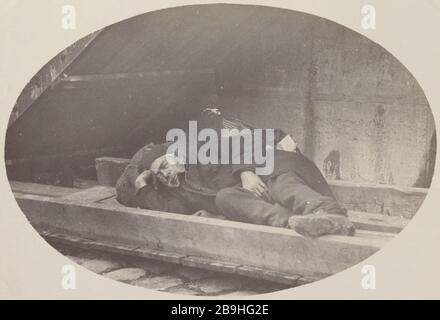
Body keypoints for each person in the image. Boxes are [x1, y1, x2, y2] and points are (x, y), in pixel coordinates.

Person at [115, 109, 355, 237]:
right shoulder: (178, 195)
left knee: (281, 184)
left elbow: (248, 140)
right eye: (158, 175)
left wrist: (245, 172)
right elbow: (168, 212)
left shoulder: (203, 151)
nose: (164, 175)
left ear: (176, 157)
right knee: (225, 197)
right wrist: (142, 185)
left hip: (272, 168)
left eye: (164, 166)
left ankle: (327, 213)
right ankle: (294, 225)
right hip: (258, 198)